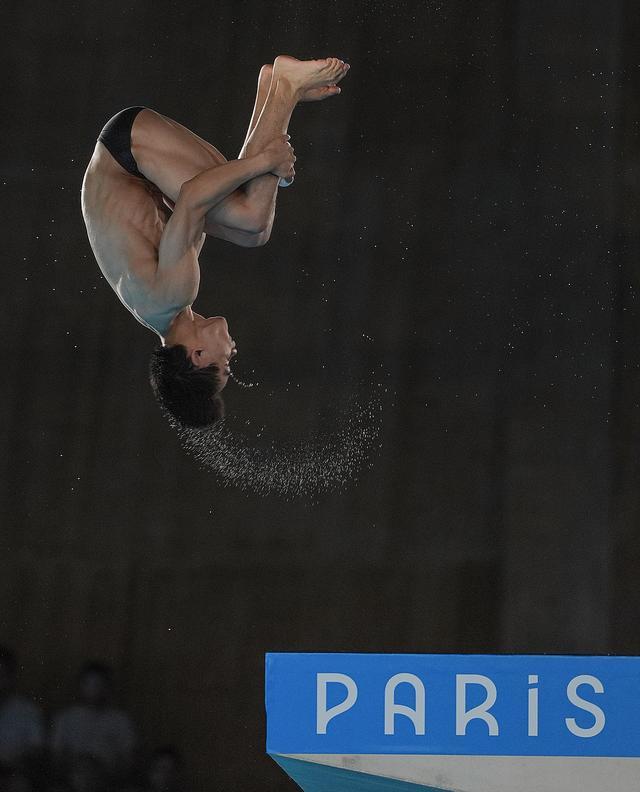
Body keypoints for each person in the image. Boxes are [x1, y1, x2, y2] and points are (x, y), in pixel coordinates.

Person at [81, 56, 350, 427]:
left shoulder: (172, 295)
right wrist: (270, 170)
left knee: (251, 216)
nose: (233, 352)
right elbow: (194, 208)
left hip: (128, 150)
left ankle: (285, 87)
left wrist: (268, 162)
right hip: (131, 160)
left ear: (197, 355)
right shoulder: (160, 309)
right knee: (252, 229)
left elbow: (192, 196)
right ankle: (272, 88)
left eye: (225, 364)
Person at [50, 663, 135, 783]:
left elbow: (127, 759)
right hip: (72, 781)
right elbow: (57, 757)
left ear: (108, 687)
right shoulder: (65, 718)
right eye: (89, 684)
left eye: (100, 684)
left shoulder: (121, 720)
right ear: (81, 686)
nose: (95, 689)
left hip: (108, 781)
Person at [0, 646, 45, 772]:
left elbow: (36, 751)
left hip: (14, 774)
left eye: (1, 675)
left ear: (11, 677)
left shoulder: (28, 711)